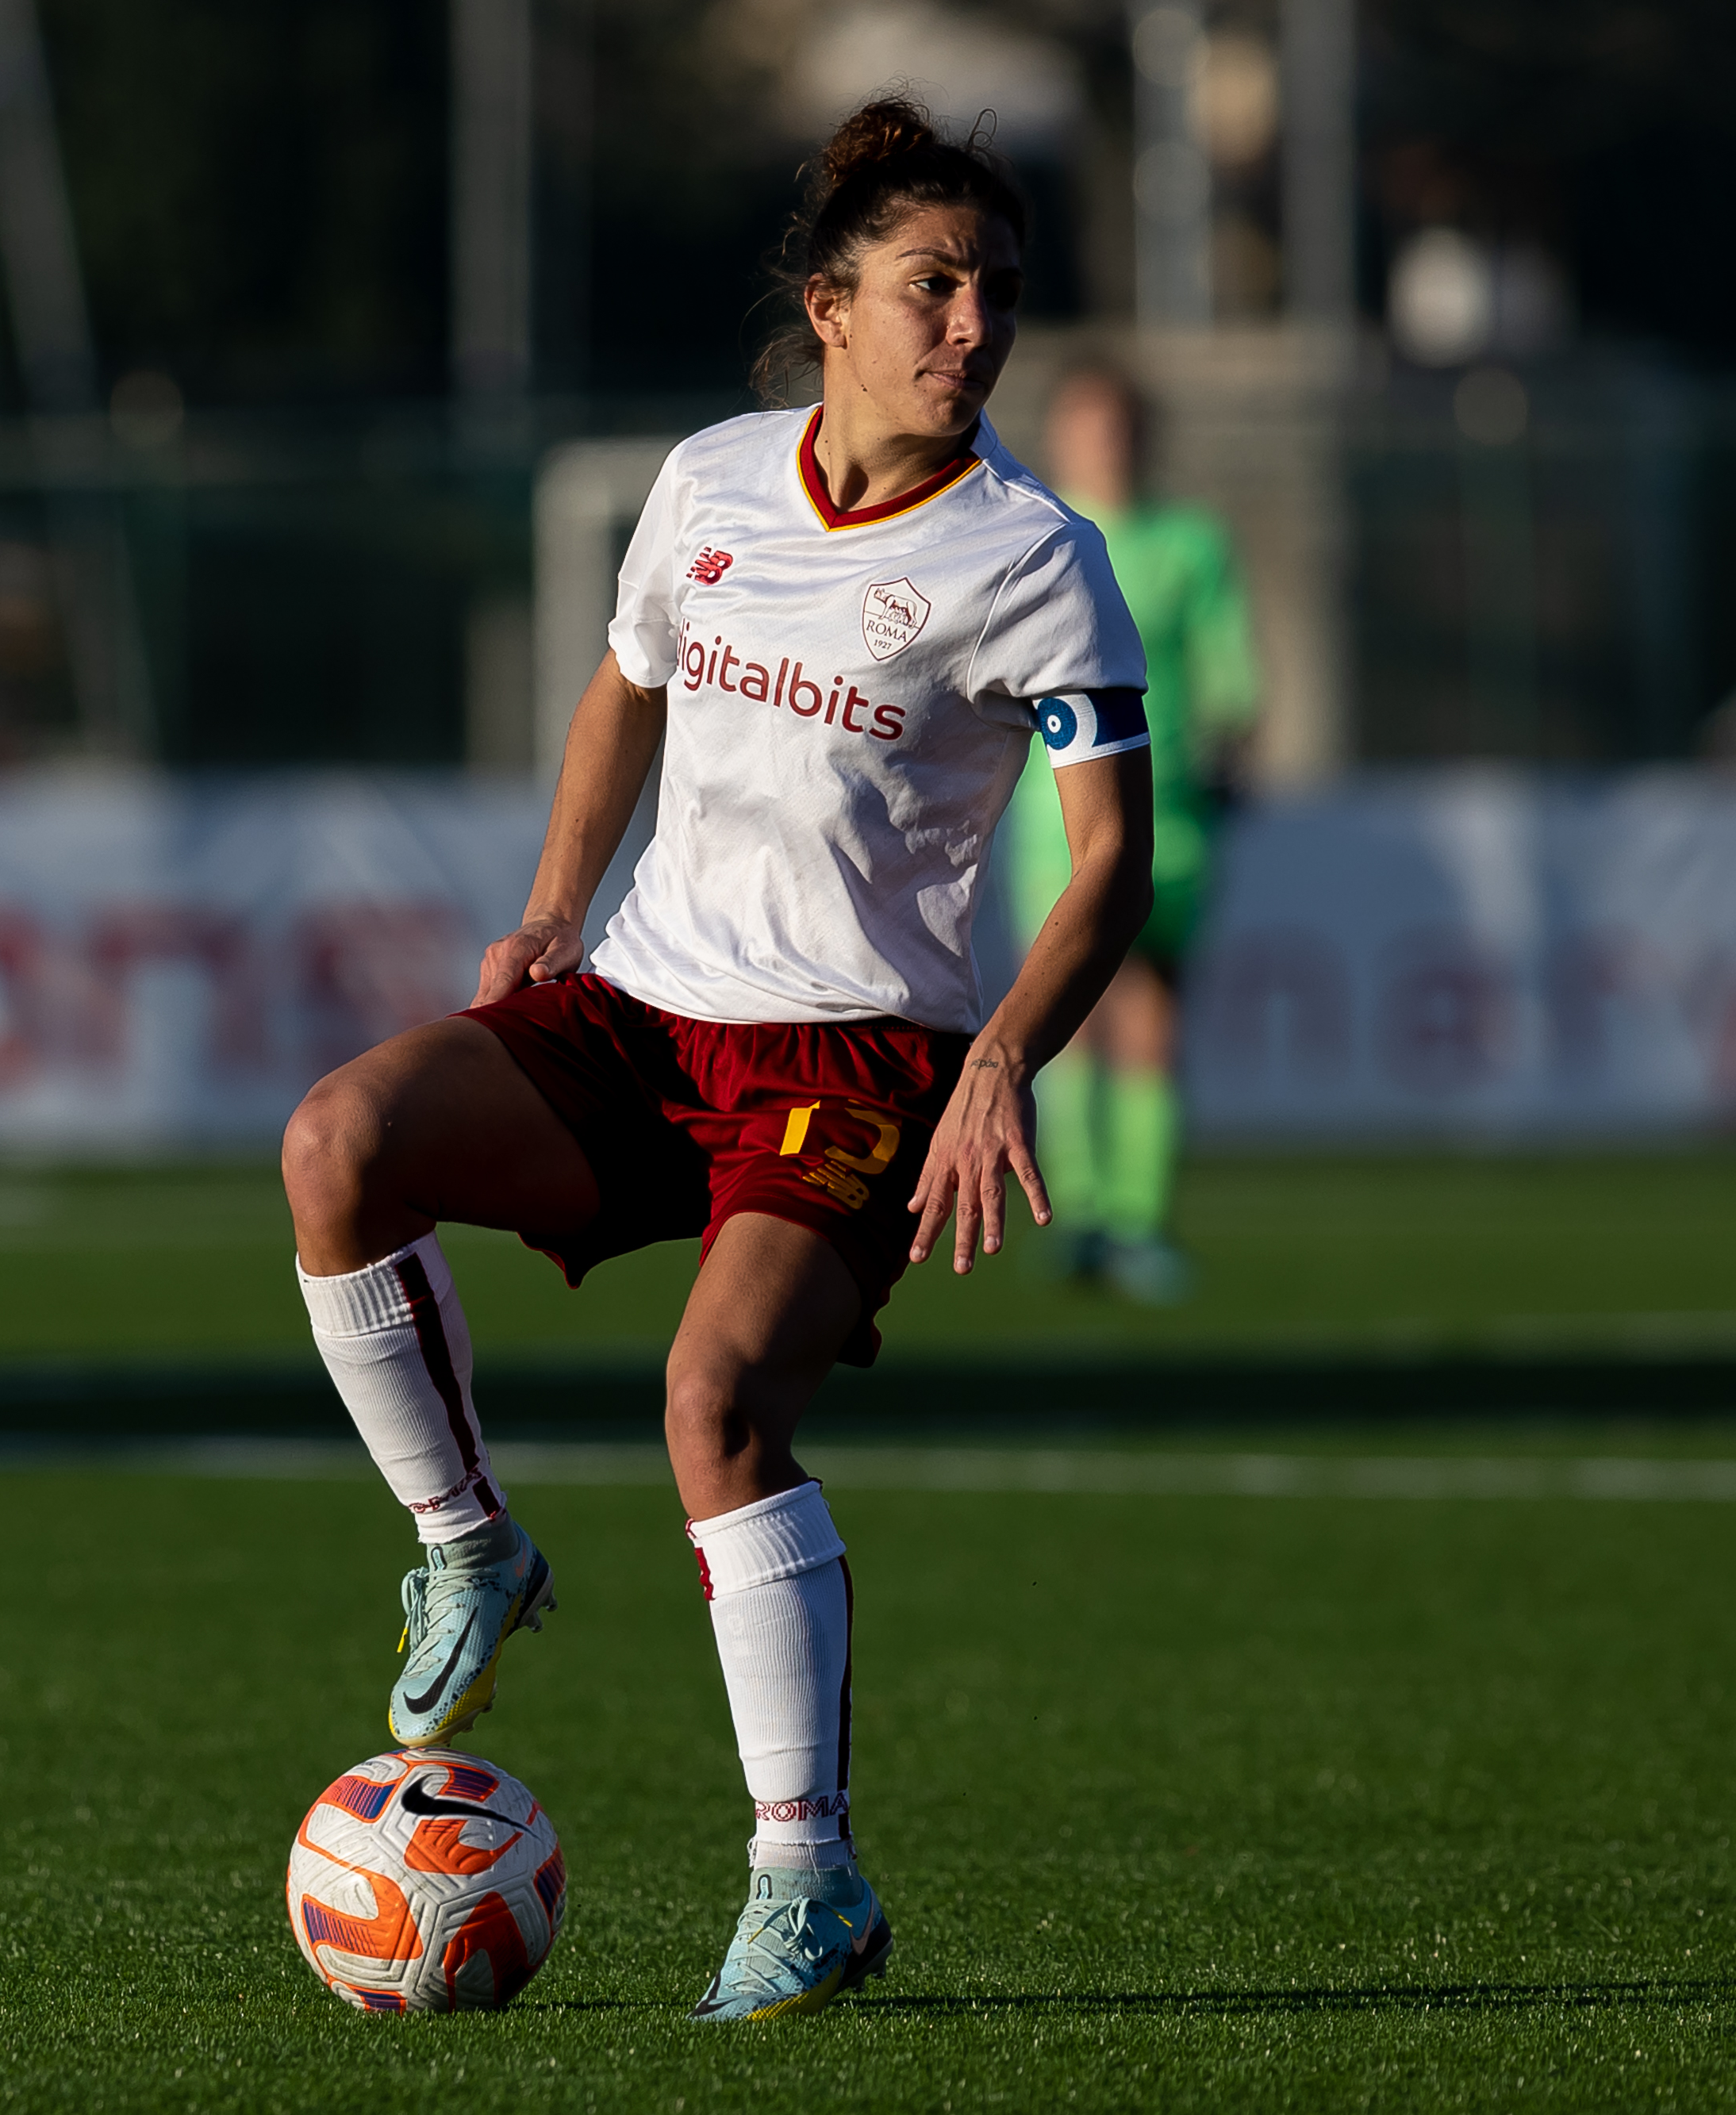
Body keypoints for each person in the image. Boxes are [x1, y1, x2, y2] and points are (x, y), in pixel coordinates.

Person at [277, 99, 1151, 2023]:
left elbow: (1112, 863)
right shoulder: (710, 482)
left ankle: (804, 1874)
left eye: (998, 291)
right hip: (644, 1008)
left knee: (717, 1400)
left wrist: (1004, 1053)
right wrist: (549, 900)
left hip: (851, 1055)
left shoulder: (1035, 559)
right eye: (934, 284)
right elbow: (628, 682)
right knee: (339, 1140)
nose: (974, 323)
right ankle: (466, 1544)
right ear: (831, 307)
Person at [998, 363, 1259, 1304]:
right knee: (1066, 1017)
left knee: (1151, 1010)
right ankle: (1078, 1214)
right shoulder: (1030, 535)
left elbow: (1231, 669)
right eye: (1085, 426)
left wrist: (1232, 749)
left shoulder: (1190, 546)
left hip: (1167, 813)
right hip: (1050, 818)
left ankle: (1140, 1218)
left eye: (1117, 427)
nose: (1103, 444)